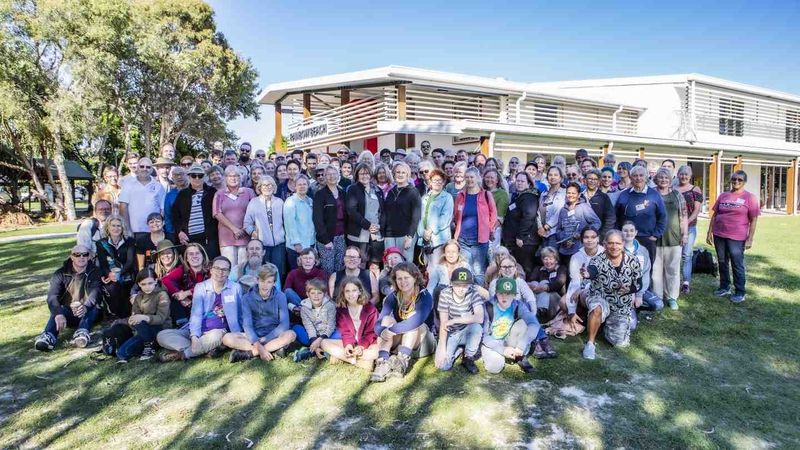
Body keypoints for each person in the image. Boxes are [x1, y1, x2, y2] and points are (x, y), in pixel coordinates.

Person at [157, 256, 243, 361]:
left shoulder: (235, 288)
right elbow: (195, 314)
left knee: (217, 335)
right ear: (211, 270)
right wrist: (194, 337)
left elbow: (240, 312)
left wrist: (239, 333)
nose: (220, 272)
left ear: (229, 272)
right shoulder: (201, 287)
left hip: (219, 332)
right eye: (217, 268)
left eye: (225, 269)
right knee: (162, 335)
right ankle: (203, 348)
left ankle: (184, 354)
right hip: (198, 330)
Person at [579, 230, 642, 360]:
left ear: (623, 244)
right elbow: (592, 271)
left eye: (618, 243)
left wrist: (629, 289)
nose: (614, 247)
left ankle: (602, 326)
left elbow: (639, 284)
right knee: (597, 308)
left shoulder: (633, 261)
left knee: (619, 342)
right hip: (600, 297)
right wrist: (586, 274)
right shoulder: (597, 260)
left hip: (621, 305)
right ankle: (590, 344)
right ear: (605, 244)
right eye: (611, 243)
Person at [371, 262, 435, 382]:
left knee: (413, 322)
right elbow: (379, 322)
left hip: (423, 343)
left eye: (406, 278)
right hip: (400, 341)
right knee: (387, 320)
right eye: (399, 278)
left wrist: (390, 330)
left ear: (415, 277)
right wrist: (382, 331)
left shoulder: (425, 296)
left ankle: (401, 361)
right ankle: (382, 362)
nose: (403, 281)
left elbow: (415, 322)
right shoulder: (393, 296)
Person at [706, 170, 760, 303]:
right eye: (734, 179)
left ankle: (740, 292)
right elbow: (715, 214)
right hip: (719, 234)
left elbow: (753, 220)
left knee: (737, 264)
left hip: (737, 237)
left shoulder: (750, 198)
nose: (736, 182)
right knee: (722, 261)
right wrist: (709, 232)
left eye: (739, 180)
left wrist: (750, 238)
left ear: (744, 182)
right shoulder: (723, 195)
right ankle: (724, 287)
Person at [34, 245, 101, 351]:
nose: (81, 257)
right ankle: (48, 336)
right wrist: (58, 313)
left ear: (89, 257)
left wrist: (86, 307)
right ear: (71, 257)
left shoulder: (95, 271)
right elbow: (52, 296)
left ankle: (82, 333)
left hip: (88, 310)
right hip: (68, 311)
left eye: (85, 254)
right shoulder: (60, 273)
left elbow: (95, 293)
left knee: (94, 308)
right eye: (77, 255)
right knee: (60, 310)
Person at [225, 264, 296, 363]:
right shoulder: (247, 298)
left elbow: (284, 324)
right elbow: (247, 325)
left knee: (291, 334)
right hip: (253, 334)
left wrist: (265, 340)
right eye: (262, 281)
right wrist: (257, 342)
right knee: (227, 338)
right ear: (257, 280)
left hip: (273, 334)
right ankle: (272, 349)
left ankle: (249, 353)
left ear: (274, 283)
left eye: (269, 282)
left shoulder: (280, 296)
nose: (265, 285)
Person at [480, 277, 538, 374]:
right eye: (501, 293)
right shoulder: (487, 306)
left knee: (523, 323)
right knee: (495, 367)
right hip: (492, 341)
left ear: (514, 295)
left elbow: (534, 324)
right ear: (496, 293)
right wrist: (502, 350)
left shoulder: (518, 305)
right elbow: (483, 335)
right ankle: (502, 354)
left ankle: (518, 354)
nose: (504, 297)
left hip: (508, 339)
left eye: (508, 294)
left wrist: (522, 345)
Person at [433, 268, 485, 374]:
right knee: (443, 365)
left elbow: (479, 317)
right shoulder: (445, 293)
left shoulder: (473, 293)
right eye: (458, 285)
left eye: (465, 285)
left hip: (467, 331)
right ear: (451, 283)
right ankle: (459, 350)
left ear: (470, 285)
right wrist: (442, 349)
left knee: (476, 327)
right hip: (451, 333)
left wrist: (455, 320)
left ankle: (468, 356)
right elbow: (444, 323)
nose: (461, 289)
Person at [321, 277, 379, 369]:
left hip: (367, 344)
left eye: (354, 290)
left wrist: (361, 347)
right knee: (324, 343)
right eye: (347, 291)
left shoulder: (370, 309)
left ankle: (340, 357)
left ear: (360, 291)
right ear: (343, 293)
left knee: (377, 351)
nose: (351, 294)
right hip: (352, 343)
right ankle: (356, 361)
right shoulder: (341, 310)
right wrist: (348, 345)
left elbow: (371, 333)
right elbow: (345, 332)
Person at [453, 166, 497, 286]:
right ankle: (466, 295)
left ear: (478, 178)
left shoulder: (486, 195)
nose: (469, 180)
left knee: (478, 271)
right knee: (466, 269)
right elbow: (456, 215)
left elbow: (493, 214)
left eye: (472, 177)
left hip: (480, 240)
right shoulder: (460, 196)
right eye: (466, 177)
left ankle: (479, 297)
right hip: (463, 240)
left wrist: (490, 229)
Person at [114, 268, 170, 362]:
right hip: (144, 331)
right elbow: (135, 317)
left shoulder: (162, 295)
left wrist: (144, 317)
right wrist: (132, 320)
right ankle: (149, 344)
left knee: (139, 323)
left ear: (155, 281)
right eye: (143, 284)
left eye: (150, 283)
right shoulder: (138, 297)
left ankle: (150, 346)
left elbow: (161, 318)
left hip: (160, 328)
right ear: (139, 284)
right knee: (121, 353)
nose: (147, 287)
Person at [651, 168, 688, 310]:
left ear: (670, 179)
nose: (663, 180)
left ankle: (672, 297)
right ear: (656, 179)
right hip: (655, 238)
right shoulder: (652, 193)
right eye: (660, 177)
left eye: (666, 178)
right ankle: (658, 297)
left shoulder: (677, 195)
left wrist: (684, 234)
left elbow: (683, 215)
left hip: (674, 237)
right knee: (656, 271)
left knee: (672, 269)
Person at [615, 165, 666, 266]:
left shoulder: (654, 195)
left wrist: (655, 235)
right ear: (630, 177)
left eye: (641, 175)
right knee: (625, 267)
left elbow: (662, 216)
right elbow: (616, 216)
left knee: (647, 267)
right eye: (635, 175)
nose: (638, 178)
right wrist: (618, 234)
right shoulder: (623, 195)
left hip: (648, 238)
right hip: (627, 238)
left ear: (646, 177)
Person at [173, 164, 219, 259]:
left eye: (200, 175)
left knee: (209, 264)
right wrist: (179, 232)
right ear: (189, 177)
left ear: (205, 177)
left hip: (208, 238)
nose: (197, 178)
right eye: (194, 175)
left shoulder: (212, 192)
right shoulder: (183, 194)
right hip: (188, 237)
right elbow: (175, 216)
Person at [213, 165, 256, 267]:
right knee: (229, 268)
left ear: (241, 177)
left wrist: (244, 229)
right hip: (226, 237)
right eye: (230, 176)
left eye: (236, 175)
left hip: (245, 235)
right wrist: (235, 229)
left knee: (243, 267)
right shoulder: (219, 194)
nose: (233, 178)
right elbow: (217, 213)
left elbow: (255, 211)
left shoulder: (248, 192)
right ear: (225, 178)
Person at [244, 176, 286, 278]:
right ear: (260, 187)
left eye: (270, 185)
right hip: (262, 245)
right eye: (264, 185)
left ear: (274, 187)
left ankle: (277, 291)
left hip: (279, 244)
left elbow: (285, 222)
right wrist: (253, 233)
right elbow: (247, 223)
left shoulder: (280, 202)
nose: (267, 187)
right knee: (263, 272)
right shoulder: (254, 202)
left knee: (278, 271)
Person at [160, 243, 209, 328]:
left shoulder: (210, 269)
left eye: (197, 253)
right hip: (188, 305)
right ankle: (182, 324)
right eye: (191, 254)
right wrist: (179, 295)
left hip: (206, 305)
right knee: (169, 294)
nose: (194, 256)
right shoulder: (183, 269)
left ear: (203, 255)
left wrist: (188, 292)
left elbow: (211, 285)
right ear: (186, 258)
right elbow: (165, 280)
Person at [96, 215, 135, 319]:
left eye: (119, 226)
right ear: (108, 227)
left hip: (126, 273)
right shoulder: (101, 243)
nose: (116, 228)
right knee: (112, 287)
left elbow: (130, 262)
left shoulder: (129, 241)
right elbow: (103, 263)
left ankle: (126, 314)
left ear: (122, 228)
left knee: (126, 287)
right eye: (113, 225)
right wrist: (109, 274)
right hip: (110, 274)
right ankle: (114, 312)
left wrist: (119, 274)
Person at [346, 163, 385, 264]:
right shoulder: (353, 189)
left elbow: (383, 211)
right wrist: (368, 225)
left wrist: (379, 226)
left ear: (371, 175)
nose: (365, 176)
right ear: (357, 175)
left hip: (376, 234)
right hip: (359, 235)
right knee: (359, 264)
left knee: (375, 265)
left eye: (367, 173)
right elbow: (351, 211)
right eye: (361, 174)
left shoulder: (377, 190)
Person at [503, 172, 541, 278]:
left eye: (522, 181)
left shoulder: (529, 196)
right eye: (518, 181)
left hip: (525, 242)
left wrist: (521, 236)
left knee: (525, 271)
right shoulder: (519, 196)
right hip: (518, 242)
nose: (519, 183)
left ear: (529, 183)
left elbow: (529, 216)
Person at [291, 278, 338, 362]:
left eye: (319, 293)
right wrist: (314, 341)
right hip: (312, 335)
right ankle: (318, 349)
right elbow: (309, 327)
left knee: (339, 333)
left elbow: (331, 326)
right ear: (308, 294)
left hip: (328, 334)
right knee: (296, 328)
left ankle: (310, 351)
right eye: (312, 293)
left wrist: (320, 340)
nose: (316, 296)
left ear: (325, 294)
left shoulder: (330, 306)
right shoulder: (304, 309)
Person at [383, 162, 421, 263]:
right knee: (389, 263)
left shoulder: (413, 192)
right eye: (398, 172)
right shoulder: (391, 192)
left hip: (405, 234)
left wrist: (410, 236)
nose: (400, 174)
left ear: (408, 175)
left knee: (405, 264)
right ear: (394, 174)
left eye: (403, 172)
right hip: (389, 234)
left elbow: (416, 215)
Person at [417, 168, 454, 273]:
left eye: (439, 180)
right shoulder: (424, 198)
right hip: (425, 238)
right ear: (430, 182)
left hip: (438, 238)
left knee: (437, 267)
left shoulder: (447, 197)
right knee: (427, 267)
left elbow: (445, 218)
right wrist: (422, 232)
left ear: (443, 182)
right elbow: (420, 217)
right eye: (434, 180)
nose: (437, 182)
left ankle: (437, 288)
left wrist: (430, 230)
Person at [119, 157, 165, 239]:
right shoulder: (128, 184)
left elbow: (162, 209)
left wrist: (159, 228)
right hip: (133, 231)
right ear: (137, 167)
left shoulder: (158, 186)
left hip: (153, 231)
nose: (145, 169)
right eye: (142, 166)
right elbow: (123, 207)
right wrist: (127, 229)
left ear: (151, 169)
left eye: (148, 167)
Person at [313, 165, 347, 275]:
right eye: (329, 174)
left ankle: (337, 291)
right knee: (327, 269)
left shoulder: (343, 193)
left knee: (339, 268)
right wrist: (326, 240)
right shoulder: (320, 194)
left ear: (338, 176)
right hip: (327, 238)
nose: (332, 176)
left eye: (334, 174)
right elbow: (317, 219)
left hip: (341, 236)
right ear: (325, 177)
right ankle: (327, 291)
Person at [554, 182, 601, 263]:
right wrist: (564, 239)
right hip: (565, 250)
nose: (570, 195)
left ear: (579, 195)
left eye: (573, 193)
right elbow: (558, 230)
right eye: (568, 193)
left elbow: (597, 222)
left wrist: (582, 234)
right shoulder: (563, 210)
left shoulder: (584, 207)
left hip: (580, 250)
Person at [621, 221, 663, 311]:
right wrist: (630, 292)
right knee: (631, 322)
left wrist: (639, 294)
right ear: (621, 232)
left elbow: (645, 272)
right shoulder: (617, 250)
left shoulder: (643, 251)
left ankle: (636, 305)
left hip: (639, 288)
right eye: (625, 230)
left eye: (632, 230)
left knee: (658, 304)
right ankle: (630, 307)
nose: (629, 233)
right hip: (622, 290)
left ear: (636, 232)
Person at [675, 165, 703, 294]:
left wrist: (686, 222)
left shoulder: (695, 189)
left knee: (686, 255)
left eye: (686, 174)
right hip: (674, 228)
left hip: (690, 227)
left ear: (690, 176)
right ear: (678, 174)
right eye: (681, 174)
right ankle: (674, 281)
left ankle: (686, 282)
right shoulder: (673, 189)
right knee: (675, 255)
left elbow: (696, 210)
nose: (684, 176)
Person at [283, 175, 315, 271]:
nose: (302, 186)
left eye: (304, 184)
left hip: (310, 243)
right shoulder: (290, 201)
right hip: (297, 246)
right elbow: (289, 224)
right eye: (299, 184)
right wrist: (296, 242)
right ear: (295, 187)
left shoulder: (310, 200)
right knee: (297, 273)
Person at [528, 246, 568, 322]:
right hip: (539, 296)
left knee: (544, 282)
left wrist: (544, 287)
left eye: (551, 259)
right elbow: (531, 280)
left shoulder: (561, 269)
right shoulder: (538, 269)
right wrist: (534, 286)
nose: (548, 261)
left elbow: (559, 283)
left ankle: (540, 312)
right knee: (534, 284)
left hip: (556, 299)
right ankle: (537, 312)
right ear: (542, 260)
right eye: (545, 259)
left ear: (556, 260)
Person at [538, 166, 566, 249]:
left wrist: (547, 226)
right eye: (550, 175)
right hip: (542, 233)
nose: (552, 177)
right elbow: (538, 212)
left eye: (555, 175)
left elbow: (560, 211)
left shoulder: (564, 193)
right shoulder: (543, 194)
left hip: (555, 233)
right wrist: (540, 227)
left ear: (561, 178)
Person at [582, 169, 616, 237]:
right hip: (581, 236)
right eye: (590, 179)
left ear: (598, 182)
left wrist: (602, 235)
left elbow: (610, 219)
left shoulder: (604, 197)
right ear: (585, 180)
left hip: (598, 236)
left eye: (595, 179)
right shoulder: (580, 197)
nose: (592, 181)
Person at [163, 165, 188, 242]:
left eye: (181, 174)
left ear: (186, 175)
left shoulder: (193, 191)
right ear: (172, 178)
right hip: (177, 234)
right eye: (176, 175)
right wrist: (172, 233)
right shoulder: (169, 195)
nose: (179, 177)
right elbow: (168, 216)